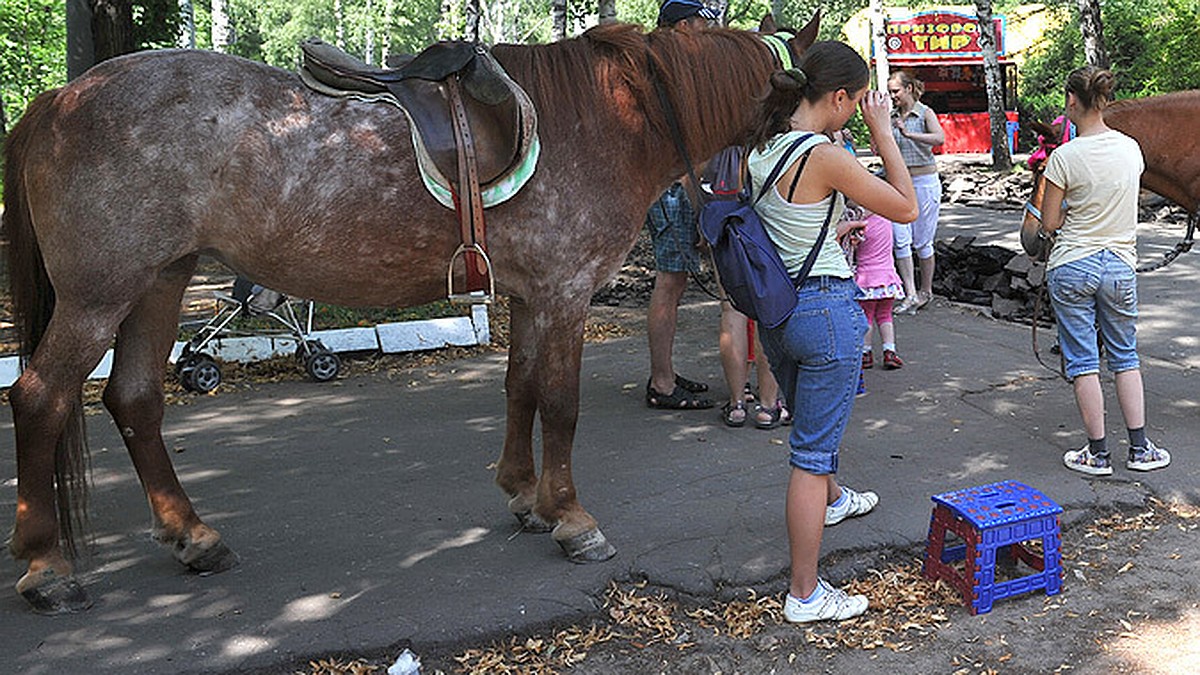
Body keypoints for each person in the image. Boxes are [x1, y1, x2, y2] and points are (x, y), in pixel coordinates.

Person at [746, 42, 917, 623]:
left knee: (814, 433)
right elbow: (906, 209)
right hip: (824, 311)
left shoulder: (762, 147)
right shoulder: (821, 154)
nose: (861, 109)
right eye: (859, 101)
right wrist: (885, 135)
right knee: (810, 456)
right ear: (839, 97)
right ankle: (805, 594)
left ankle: (836, 499)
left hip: (780, 316)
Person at [1037, 65, 1171, 476]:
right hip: (1118, 265)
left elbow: (1049, 223)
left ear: (1071, 101)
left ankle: (1096, 453)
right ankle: (1140, 447)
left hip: (1072, 265)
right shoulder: (1131, 149)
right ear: (1106, 101)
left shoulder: (1064, 157)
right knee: (1125, 357)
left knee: (1082, 361)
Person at [644, 0, 719, 410]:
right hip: (673, 187)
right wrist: (698, 201)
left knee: (674, 283)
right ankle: (662, 383)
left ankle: (665, 373)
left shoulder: (659, 64)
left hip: (672, 184)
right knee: (669, 282)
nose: (706, 31)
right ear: (683, 25)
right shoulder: (671, 69)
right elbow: (682, 144)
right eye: (701, 24)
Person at [887, 70, 945, 315]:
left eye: (896, 91)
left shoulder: (924, 113)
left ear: (909, 89)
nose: (893, 96)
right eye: (890, 92)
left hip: (924, 180)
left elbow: (939, 138)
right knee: (900, 238)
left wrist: (909, 134)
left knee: (922, 241)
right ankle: (909, 292)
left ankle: (925, 291)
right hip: (899, 182)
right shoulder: (890, 116)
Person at [851, 209, 906, 370]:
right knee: (885, 315)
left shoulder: (860, 224)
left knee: (866, 316)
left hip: (867, 278)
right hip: (888, 278)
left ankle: (865, 353)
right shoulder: (886, 218)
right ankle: (889, 351)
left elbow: (853, 247)